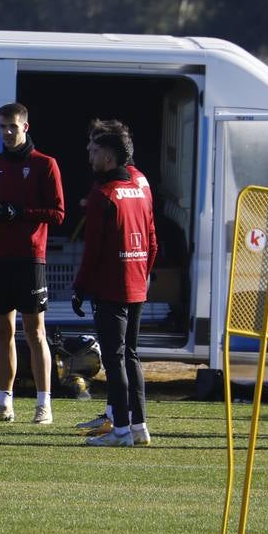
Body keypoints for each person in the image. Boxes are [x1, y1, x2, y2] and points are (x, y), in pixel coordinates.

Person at [0, 102, 64, 425]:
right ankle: (3, 404)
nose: (8, 133)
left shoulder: (45, 164)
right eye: (2, 127)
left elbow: (58, 212)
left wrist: (20, 213)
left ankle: (44, 404)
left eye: (13, 126)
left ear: (26, 127)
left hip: (30, 258)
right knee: (1, 332)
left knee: (35, 331)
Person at [72, 126, 157, 446]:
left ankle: (120, 430)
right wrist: (143, 273)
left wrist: (80, 288)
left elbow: (92, 251)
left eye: (94, 150)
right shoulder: (141, 183)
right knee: (131, 356)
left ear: (108, 155)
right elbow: (152, 239)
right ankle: (139, 426)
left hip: (112, 287)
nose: (89, 155)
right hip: (137, 282)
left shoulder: (102, 195)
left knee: (115, 358)